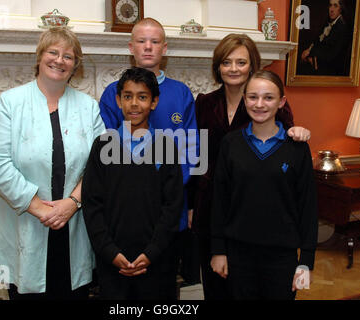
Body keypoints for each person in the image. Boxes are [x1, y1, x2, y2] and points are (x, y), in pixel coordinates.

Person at [0, 27, 106, 300]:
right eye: (53, 52)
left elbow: (100, 165)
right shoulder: (10, 103)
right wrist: (42, 210)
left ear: (75, 65)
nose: (59, 60)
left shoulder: (89, 107)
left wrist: (71, 204)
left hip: (73, 225)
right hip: (26, 222)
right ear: (40, 57)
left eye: (68, 56)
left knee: (73, 291)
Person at [191, 33, 311, 300]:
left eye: (241, 62)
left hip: (254, 210)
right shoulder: (204, 103)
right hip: (211, 207)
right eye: (226, 62)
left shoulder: (264, 102)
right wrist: (190, 204)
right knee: (216, 288)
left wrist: (300, 131)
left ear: (252, 65)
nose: (233, 68)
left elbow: (287, 141)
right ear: (218, 67)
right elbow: (195, 157)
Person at [99, 18, 199, 299]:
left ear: (164, 49)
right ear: (131, 47)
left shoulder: (181, 93)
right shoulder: (112, 94)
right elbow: (106, 152)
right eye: (141, 41)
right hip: (126, 212)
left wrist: (174, 196)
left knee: (162, 286)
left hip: (169, 210)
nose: (148, 47)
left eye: (155, 42)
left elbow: (192, 151)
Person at [210, 70, 318, 300]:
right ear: (244, 100)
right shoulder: (231, 144)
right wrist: (218, 250)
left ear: (281, 102)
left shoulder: (297, 148)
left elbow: (308, 206)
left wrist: (306, 261)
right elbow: (219, 201)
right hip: (238, 255)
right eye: (252, 97)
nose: (259, 104)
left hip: (282, 258)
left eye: (268, 97)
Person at [82, 67, 183, 299]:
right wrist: (109, 252)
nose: (134, 104)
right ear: (118, 101)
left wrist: (152, 252)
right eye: (128, 96)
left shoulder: (166, 146)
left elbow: (172, 205)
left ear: (154, 102)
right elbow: (91, 204)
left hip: (156, 262)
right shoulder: (103, 145)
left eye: (143, 97)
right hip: (113, 262)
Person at [300, 0, 351, 76]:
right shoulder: (328, 23)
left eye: (335, 6)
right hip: (320, 64)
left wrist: (311, 54)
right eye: (330, 5)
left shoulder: (342, 27)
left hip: (331, 70)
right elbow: (318, 42)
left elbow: (333, 54)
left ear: (341, 9)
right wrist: (309, 50)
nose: (332, 9)